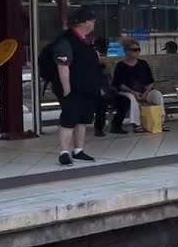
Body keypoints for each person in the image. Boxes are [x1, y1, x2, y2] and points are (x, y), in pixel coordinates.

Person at [53, 9, 101, 165]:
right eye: (92, 21)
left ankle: (78, 150)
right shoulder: (66, 40)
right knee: (69, 120)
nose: (94, 24)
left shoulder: (84, 40)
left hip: (87, 88)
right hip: (74, 89)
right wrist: (67, 88)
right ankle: (64, 152)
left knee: (83, 120)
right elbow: (63, 65)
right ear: (85, 22)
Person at [112, 42, 165, 133]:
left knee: (157, 95)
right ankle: (137, 123)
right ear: (126, 51)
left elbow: (151, 82)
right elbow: (120, 84)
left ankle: (160, 121)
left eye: (138, 50)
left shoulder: (143, 64)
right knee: (132, 98)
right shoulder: (120, 66)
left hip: (144, 91)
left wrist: (146, 92)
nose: (136, 52)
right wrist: (133, 92)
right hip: (127, 91)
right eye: (133, 50)